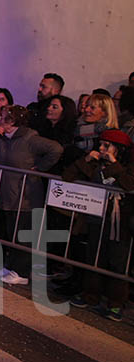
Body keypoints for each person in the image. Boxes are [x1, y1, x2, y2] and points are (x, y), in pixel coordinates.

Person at [0, 105, 63, 286]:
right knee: (12, 232)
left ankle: (22, 271)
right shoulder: (3, 138)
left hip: (26, 195)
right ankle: (12, 266)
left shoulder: (29, 138)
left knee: (23, 234)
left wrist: (40, 168)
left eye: (2, 117)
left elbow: (55, 149)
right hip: (8, 193)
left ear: (12, 121)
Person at [62, 129, 134, 321]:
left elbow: (129, 184)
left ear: (119, 149)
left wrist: (114, 164)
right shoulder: (95, 163)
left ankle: (116, 302)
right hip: (96, 216)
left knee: (117, 260)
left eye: (106, 145)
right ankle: (90, 294)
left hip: (120, 220)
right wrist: (85, 160)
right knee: (94, 255)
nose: (101, 149)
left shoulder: (127, 166)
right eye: (100, 144)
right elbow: (68, 177)